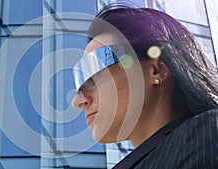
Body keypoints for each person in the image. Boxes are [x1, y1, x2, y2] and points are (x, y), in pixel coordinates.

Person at [71, 4, 218, 169]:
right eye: (80, 76)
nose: (77, 101)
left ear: (157, 70)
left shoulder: (205, 137)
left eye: (94, 69)